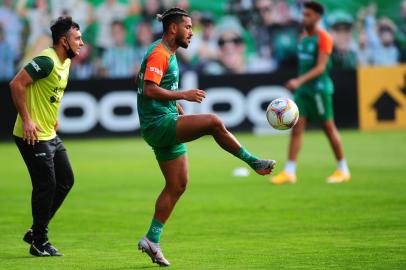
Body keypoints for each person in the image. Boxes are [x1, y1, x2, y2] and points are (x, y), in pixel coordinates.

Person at [136, 8, 276, 267]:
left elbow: (151, 82)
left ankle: (151, 240)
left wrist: (174, 104)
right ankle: (252, 161)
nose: (192, 32)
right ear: (172, 29)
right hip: (158, 124)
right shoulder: (159, 52)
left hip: (162, 120)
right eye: (187, 27)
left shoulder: (167, 52)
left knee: (177, 184)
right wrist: (182, 96)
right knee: (213, 122)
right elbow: (148, 89)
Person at [9, 16, 83, 256]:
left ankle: (35, 231)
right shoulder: (46, 61)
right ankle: (39, 241)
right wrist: (28, 120)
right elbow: (16, 84)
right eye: (77, 38)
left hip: (48, 132)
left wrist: (52, 116)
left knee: (66, 180)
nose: (81, 43)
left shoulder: (66, 61)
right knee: (46, 184)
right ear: (64, 41)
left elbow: (48, 93)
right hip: (31, 135)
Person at [271, 1, 350, 185]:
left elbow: (321, 68)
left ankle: (343, 169)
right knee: (296, 129)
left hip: (319, 91)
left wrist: (298, 81)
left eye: (308, 15)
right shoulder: (303, 38)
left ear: (317, 17)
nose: (304, 18)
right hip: (303, 92)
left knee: (328, 128)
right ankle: (289, 172)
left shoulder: (324, 38)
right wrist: (300, 84)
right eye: (303, 14)